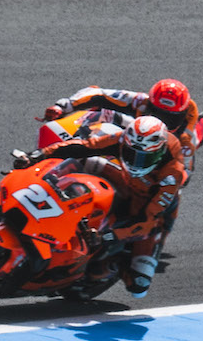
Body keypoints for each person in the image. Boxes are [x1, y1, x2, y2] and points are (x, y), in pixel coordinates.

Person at [16, 116, 186, 296]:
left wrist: (107, 236)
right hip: (124, 180)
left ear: (160, 153)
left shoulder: (171, 175)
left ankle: (115, 264)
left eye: (145, 158)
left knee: (139, 285)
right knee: (84, 159)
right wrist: (40, 154)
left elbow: (146, 222)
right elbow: (86, 146)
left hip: (149, 210)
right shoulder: (122, 139)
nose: (136, 162)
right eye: (130, 153)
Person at [40, 78, 203, 169]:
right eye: (156, 113)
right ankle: (73, 144)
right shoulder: (140, 102)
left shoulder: (187, 139)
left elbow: (182, 177)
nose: (160, 121)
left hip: (150, 166)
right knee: (102, 112)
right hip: (132, 136)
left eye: (168, 117)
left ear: (181, 116)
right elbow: (97, 93)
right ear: (149, 105)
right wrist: (63, 106)